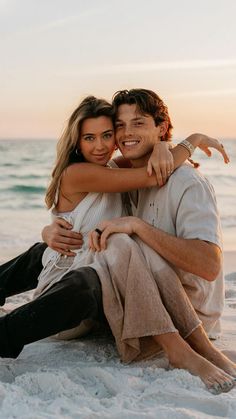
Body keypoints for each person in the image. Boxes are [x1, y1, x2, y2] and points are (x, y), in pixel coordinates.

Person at [0, 94, 234, 394]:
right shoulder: (82, 172)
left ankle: (193, 344)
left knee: (114, 242)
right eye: (90, 138)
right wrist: (192, 139)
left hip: (102, 273)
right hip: (76, 286)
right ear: (77, 142)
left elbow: (149, 164)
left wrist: (164, 145)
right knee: (97, 248)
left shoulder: (116, 167)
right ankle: (5, 335)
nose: (100, 144)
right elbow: (150, 175)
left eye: (107, 135)